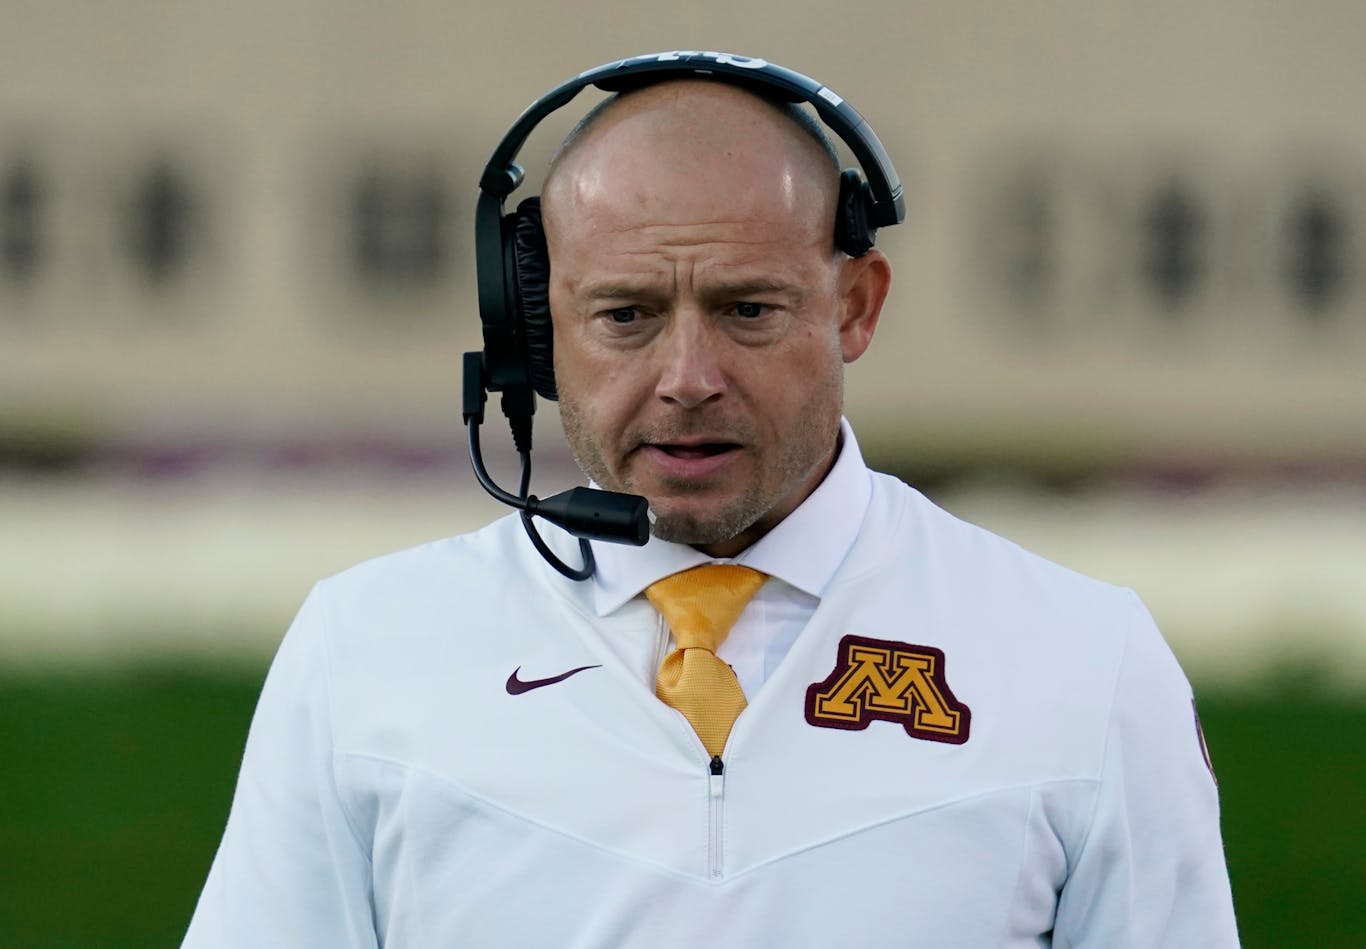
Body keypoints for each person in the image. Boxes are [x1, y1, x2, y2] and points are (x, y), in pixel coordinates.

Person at [183, 56, 1238, 947]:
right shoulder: (362, 651)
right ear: (534, 331)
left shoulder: (1085, 661)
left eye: (745, 309)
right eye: (626, 314)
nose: (687, 374)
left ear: (854, 305)